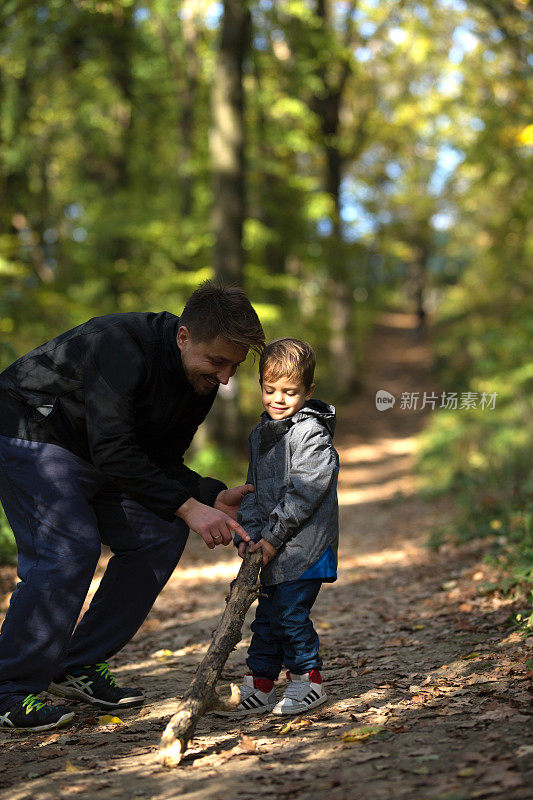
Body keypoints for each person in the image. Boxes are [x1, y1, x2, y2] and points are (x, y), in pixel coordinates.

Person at [0, 282, 264, 732]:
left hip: (95, 450)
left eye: (234, 367)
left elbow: (157, 458)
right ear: (183, 336)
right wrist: (189, 507)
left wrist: (207, 495)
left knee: (159, 532)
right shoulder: (119, 345)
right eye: (218, 362)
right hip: (30, 429)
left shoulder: (197, 382)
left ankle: (79, 665)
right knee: (68, 548)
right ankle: (8, 689)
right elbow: (115, 449)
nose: (224, 379)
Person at [215, 338, 339, 719]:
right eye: (270, 390)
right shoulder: (259, 434)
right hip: (270, 546)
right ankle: (262, 684)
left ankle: (307, 680)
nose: (278, 399)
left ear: (308, 391)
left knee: (289, 616)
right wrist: (249, 535)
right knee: (265, 619)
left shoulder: (311, 435)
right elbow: (251, 491)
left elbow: (304, 493)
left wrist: (272, 537)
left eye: (290, 391)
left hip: (304, 547)